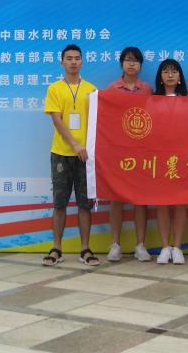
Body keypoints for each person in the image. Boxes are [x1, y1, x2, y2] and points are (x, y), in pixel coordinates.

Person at [43, 44, 100, 267]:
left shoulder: (92, 90)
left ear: (82, 61)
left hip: (86, 156)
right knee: (59, 204)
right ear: (62, 62)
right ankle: (56, 248)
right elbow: (57, 120)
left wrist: (85, 147)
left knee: (85, 204)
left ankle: (85, 249)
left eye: (77, 58)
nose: (73, 62)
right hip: (61, 153)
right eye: (69, 58)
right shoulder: (54, 89)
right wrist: (75, 144)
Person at [104, 46, 152, 262]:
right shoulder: (112, 88)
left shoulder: (147, 89)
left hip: (142, 151)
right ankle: (115, 244)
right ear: (121, 63)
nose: (131, 63)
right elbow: (106, 118)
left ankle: (140, 245)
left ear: (140, 64)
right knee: (116, 198)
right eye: (127, 60)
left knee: (141, 199)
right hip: (118, 151)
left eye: (135, 60)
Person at [153, 58, 188, 264]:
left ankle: (178, 247)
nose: (170, 75)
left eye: (174, 71)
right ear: (160, 76)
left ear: (180, 77)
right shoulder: (152, 100)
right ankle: (165, 246)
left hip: (182, 157)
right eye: (166, 71)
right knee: (162, 203)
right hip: (159, 158)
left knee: (180, 203)